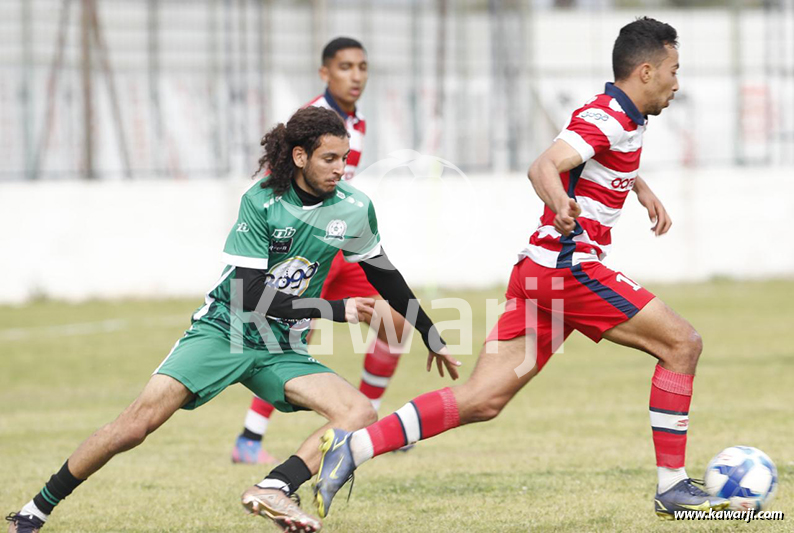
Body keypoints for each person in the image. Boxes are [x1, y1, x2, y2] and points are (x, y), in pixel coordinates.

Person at [313, 17, 731, 521]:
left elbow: (595, 154)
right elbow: (544, 166)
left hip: (538, 276)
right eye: (673, 70)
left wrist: (640, 189)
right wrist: (559, 203)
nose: (677, 82)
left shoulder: (621, 115)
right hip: (567, 270)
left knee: (482, 400)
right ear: (645, 71)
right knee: (681, 343)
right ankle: (672, 487)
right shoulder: (610, 117)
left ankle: (351, 449)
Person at [5, 106, 459, 533]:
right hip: (224, 330)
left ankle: (276, 487)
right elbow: (248, 297)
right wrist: (335, 310)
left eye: (344, 158)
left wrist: (431, 333)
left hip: (280, 345)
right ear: (299, 157)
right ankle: (34, 510)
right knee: (133, 427)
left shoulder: (353, 207)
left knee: (357, 410)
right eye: (329, 158)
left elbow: (385, 274)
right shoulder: (260, 202)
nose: (341, 168)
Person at [232, 36, 415, 466]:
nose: (356, 76)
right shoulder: (313, 120)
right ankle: (249, 439)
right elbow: (279, 181)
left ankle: (363, 423)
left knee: (395, 326)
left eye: (362, 67)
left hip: (337, 247)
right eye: (346, 67)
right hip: (304, 251)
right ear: (325, 73)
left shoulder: (358, 121)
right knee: (289, 337)